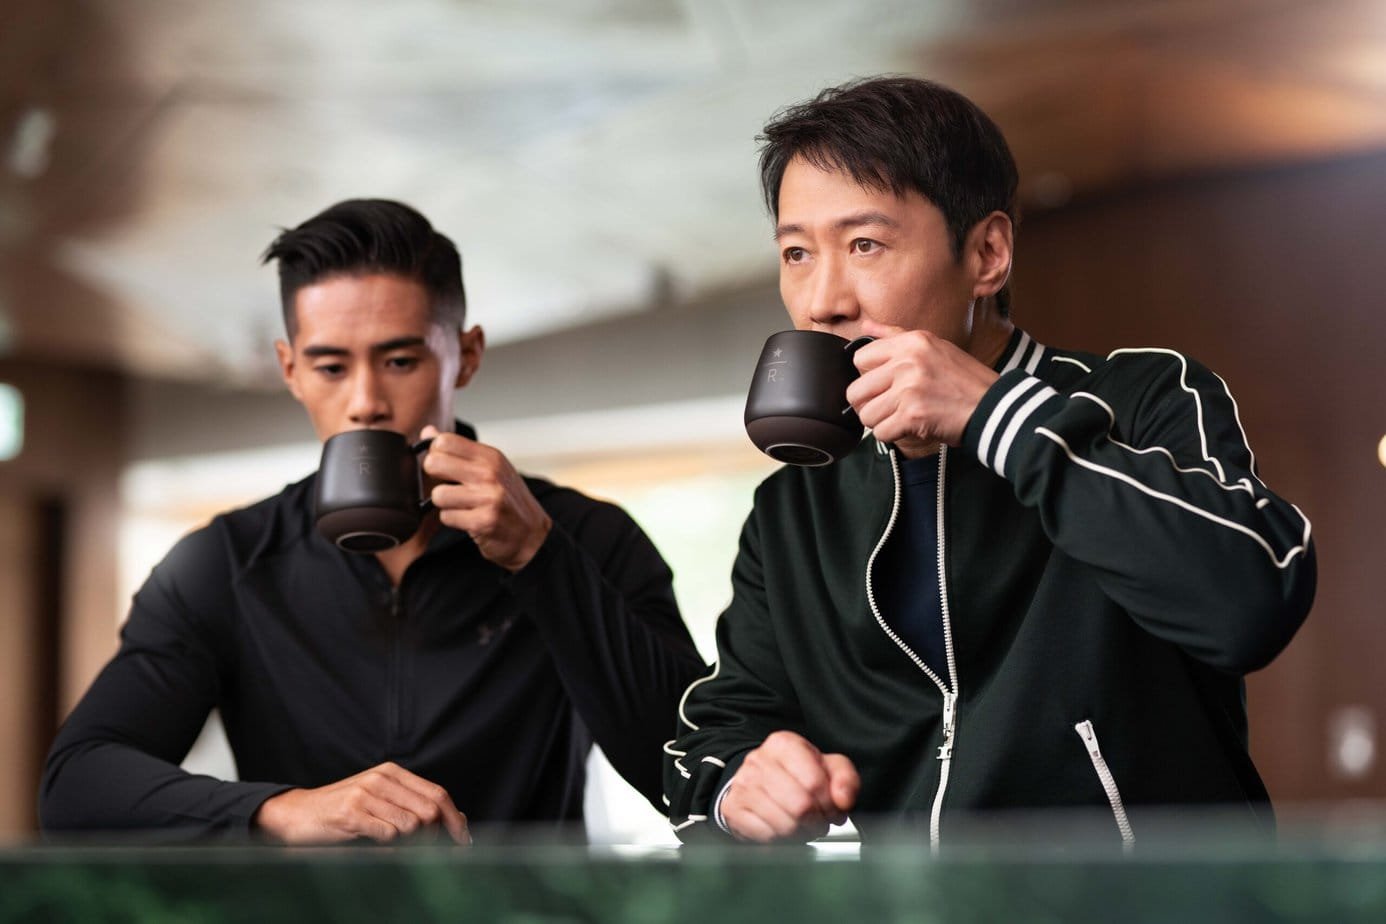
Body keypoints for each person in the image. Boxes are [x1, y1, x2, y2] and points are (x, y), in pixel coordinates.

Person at [663, 76, 1316, 851]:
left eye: (865, 245)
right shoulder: (793, 510)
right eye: (797, 253)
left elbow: (1252, 601)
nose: (822, 301)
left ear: (987, 254)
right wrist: (743, 782)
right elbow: (710, 739)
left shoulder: (1144, 397)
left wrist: (996, 417)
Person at [41, 198, 706, 843]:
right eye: (331, 367)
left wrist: (540, 557)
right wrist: (281, 812)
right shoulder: (226, 560)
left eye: (400, 362)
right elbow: (75, 785)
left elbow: (694, 774)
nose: (365, 402)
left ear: (467, 355)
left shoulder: (588, 539)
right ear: (291, 370)